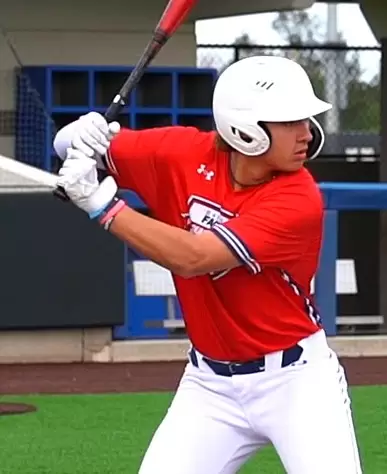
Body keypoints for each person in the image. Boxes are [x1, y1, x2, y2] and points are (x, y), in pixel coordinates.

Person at [53, 55, 363, 474]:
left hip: (296, 382)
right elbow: (66, 147)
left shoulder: (299, 197)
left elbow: (193, 258)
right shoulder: (179, 152)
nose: (307, 132)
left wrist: (103, 207)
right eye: (290, 121)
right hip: (211, 386)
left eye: (305, 119)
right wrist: (82, 133)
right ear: (245, 130)